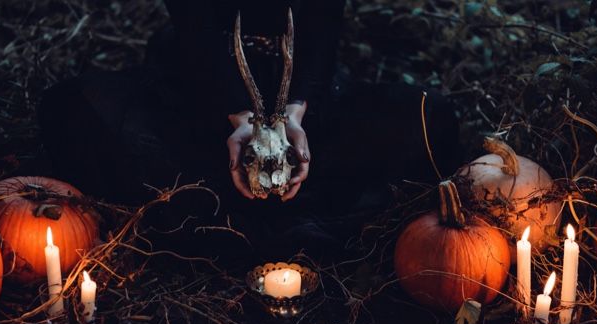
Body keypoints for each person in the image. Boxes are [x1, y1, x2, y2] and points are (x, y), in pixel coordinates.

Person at [38, 0, 460, 263]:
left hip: (305, 94)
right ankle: (252, 204)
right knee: (71, 110)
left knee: (430, 118)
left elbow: (322, 22)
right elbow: (193, 25)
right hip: (200, 89)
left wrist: (295, 113)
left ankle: (231, 201)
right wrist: (238, 115)